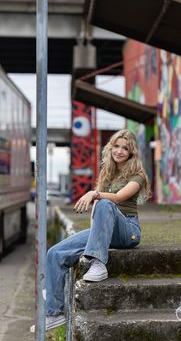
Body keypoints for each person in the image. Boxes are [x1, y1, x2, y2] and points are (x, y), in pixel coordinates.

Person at [31, 129, 151, 332]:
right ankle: (54, 311)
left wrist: (94, 194)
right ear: (111, 147)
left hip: (128, 231)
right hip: (105, 230)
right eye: (117, 146)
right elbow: (97, 212)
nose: (120, 151)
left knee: (104, 203)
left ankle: (99, 264)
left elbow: (120, 197)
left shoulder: (137, 175)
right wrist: (97, 230)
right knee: (54, 254)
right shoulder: (107, 174)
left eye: (125, 148)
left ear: (131, 152)